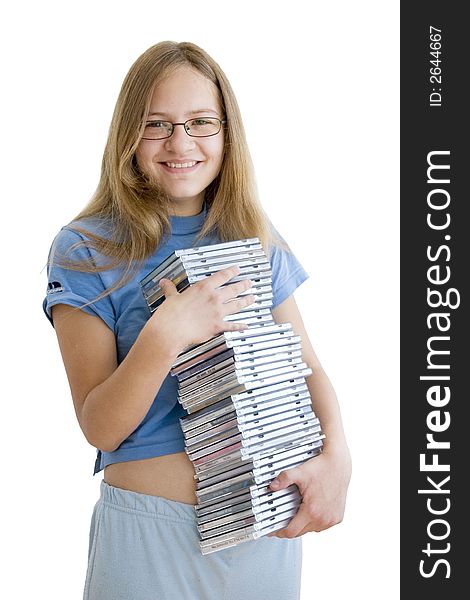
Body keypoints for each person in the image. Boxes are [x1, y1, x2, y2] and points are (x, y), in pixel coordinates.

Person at [43, 41, 351, 600]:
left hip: (267, 529)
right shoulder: (85, 247)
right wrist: (166, 333)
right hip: (148, 537)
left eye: (201, 122)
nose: (180, 143)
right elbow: (100, 427)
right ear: (128, 136)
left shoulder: (255, 235)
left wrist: (338, 459)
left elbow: (308, 370)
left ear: (227, 133)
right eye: (157, 124)